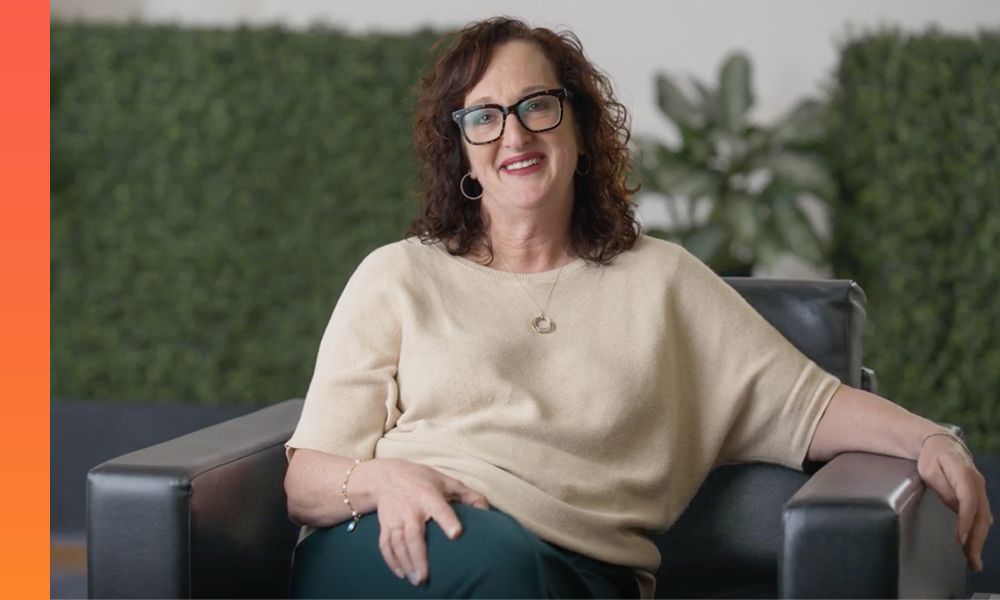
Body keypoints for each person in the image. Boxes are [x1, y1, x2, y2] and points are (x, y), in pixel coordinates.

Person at [283, 17, 991, 599]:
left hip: (578, 572)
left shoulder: (663, 282)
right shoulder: (396, 274)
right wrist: (383, 477)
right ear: (461, 151)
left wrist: (930, 439)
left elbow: (808, 405)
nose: (515, 135)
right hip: (390, 541)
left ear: (580, 128)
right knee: (492, 565)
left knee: (512, 571)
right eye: (484, 117)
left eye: (537, 105)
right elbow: (306, 479)